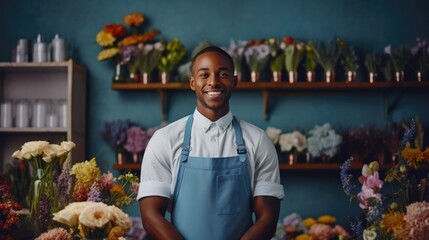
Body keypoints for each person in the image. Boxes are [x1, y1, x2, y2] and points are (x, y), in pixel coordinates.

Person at [138, 46, 284, 240]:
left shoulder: (258, 140)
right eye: (204, 75)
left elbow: (268, 218)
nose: (213, 82)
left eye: (223, 74)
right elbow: (150, 216)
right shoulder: (165, 139)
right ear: (192, 83)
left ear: (234, 81)